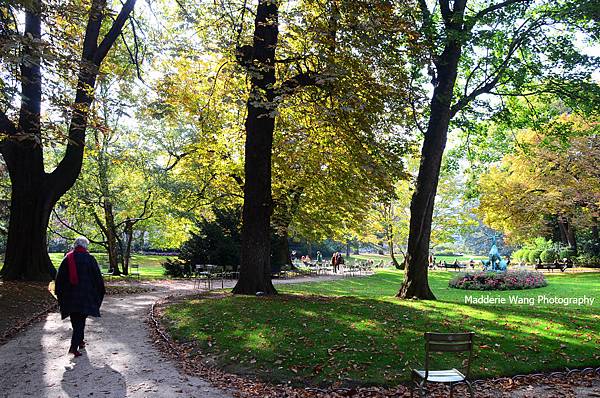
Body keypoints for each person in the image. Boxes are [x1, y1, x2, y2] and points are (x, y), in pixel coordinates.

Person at [55, 237, 105, 357]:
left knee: (75, 320)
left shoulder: (68, 258)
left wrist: (59, 293)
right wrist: (100, 292)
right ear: (85, 246)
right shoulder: (90, 259)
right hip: (85, 296)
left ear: (75, 245)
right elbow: (97, 278)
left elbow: (59, 278)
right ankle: (73, 347)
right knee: (80, 321)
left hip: (70, 296)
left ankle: (80, 341)